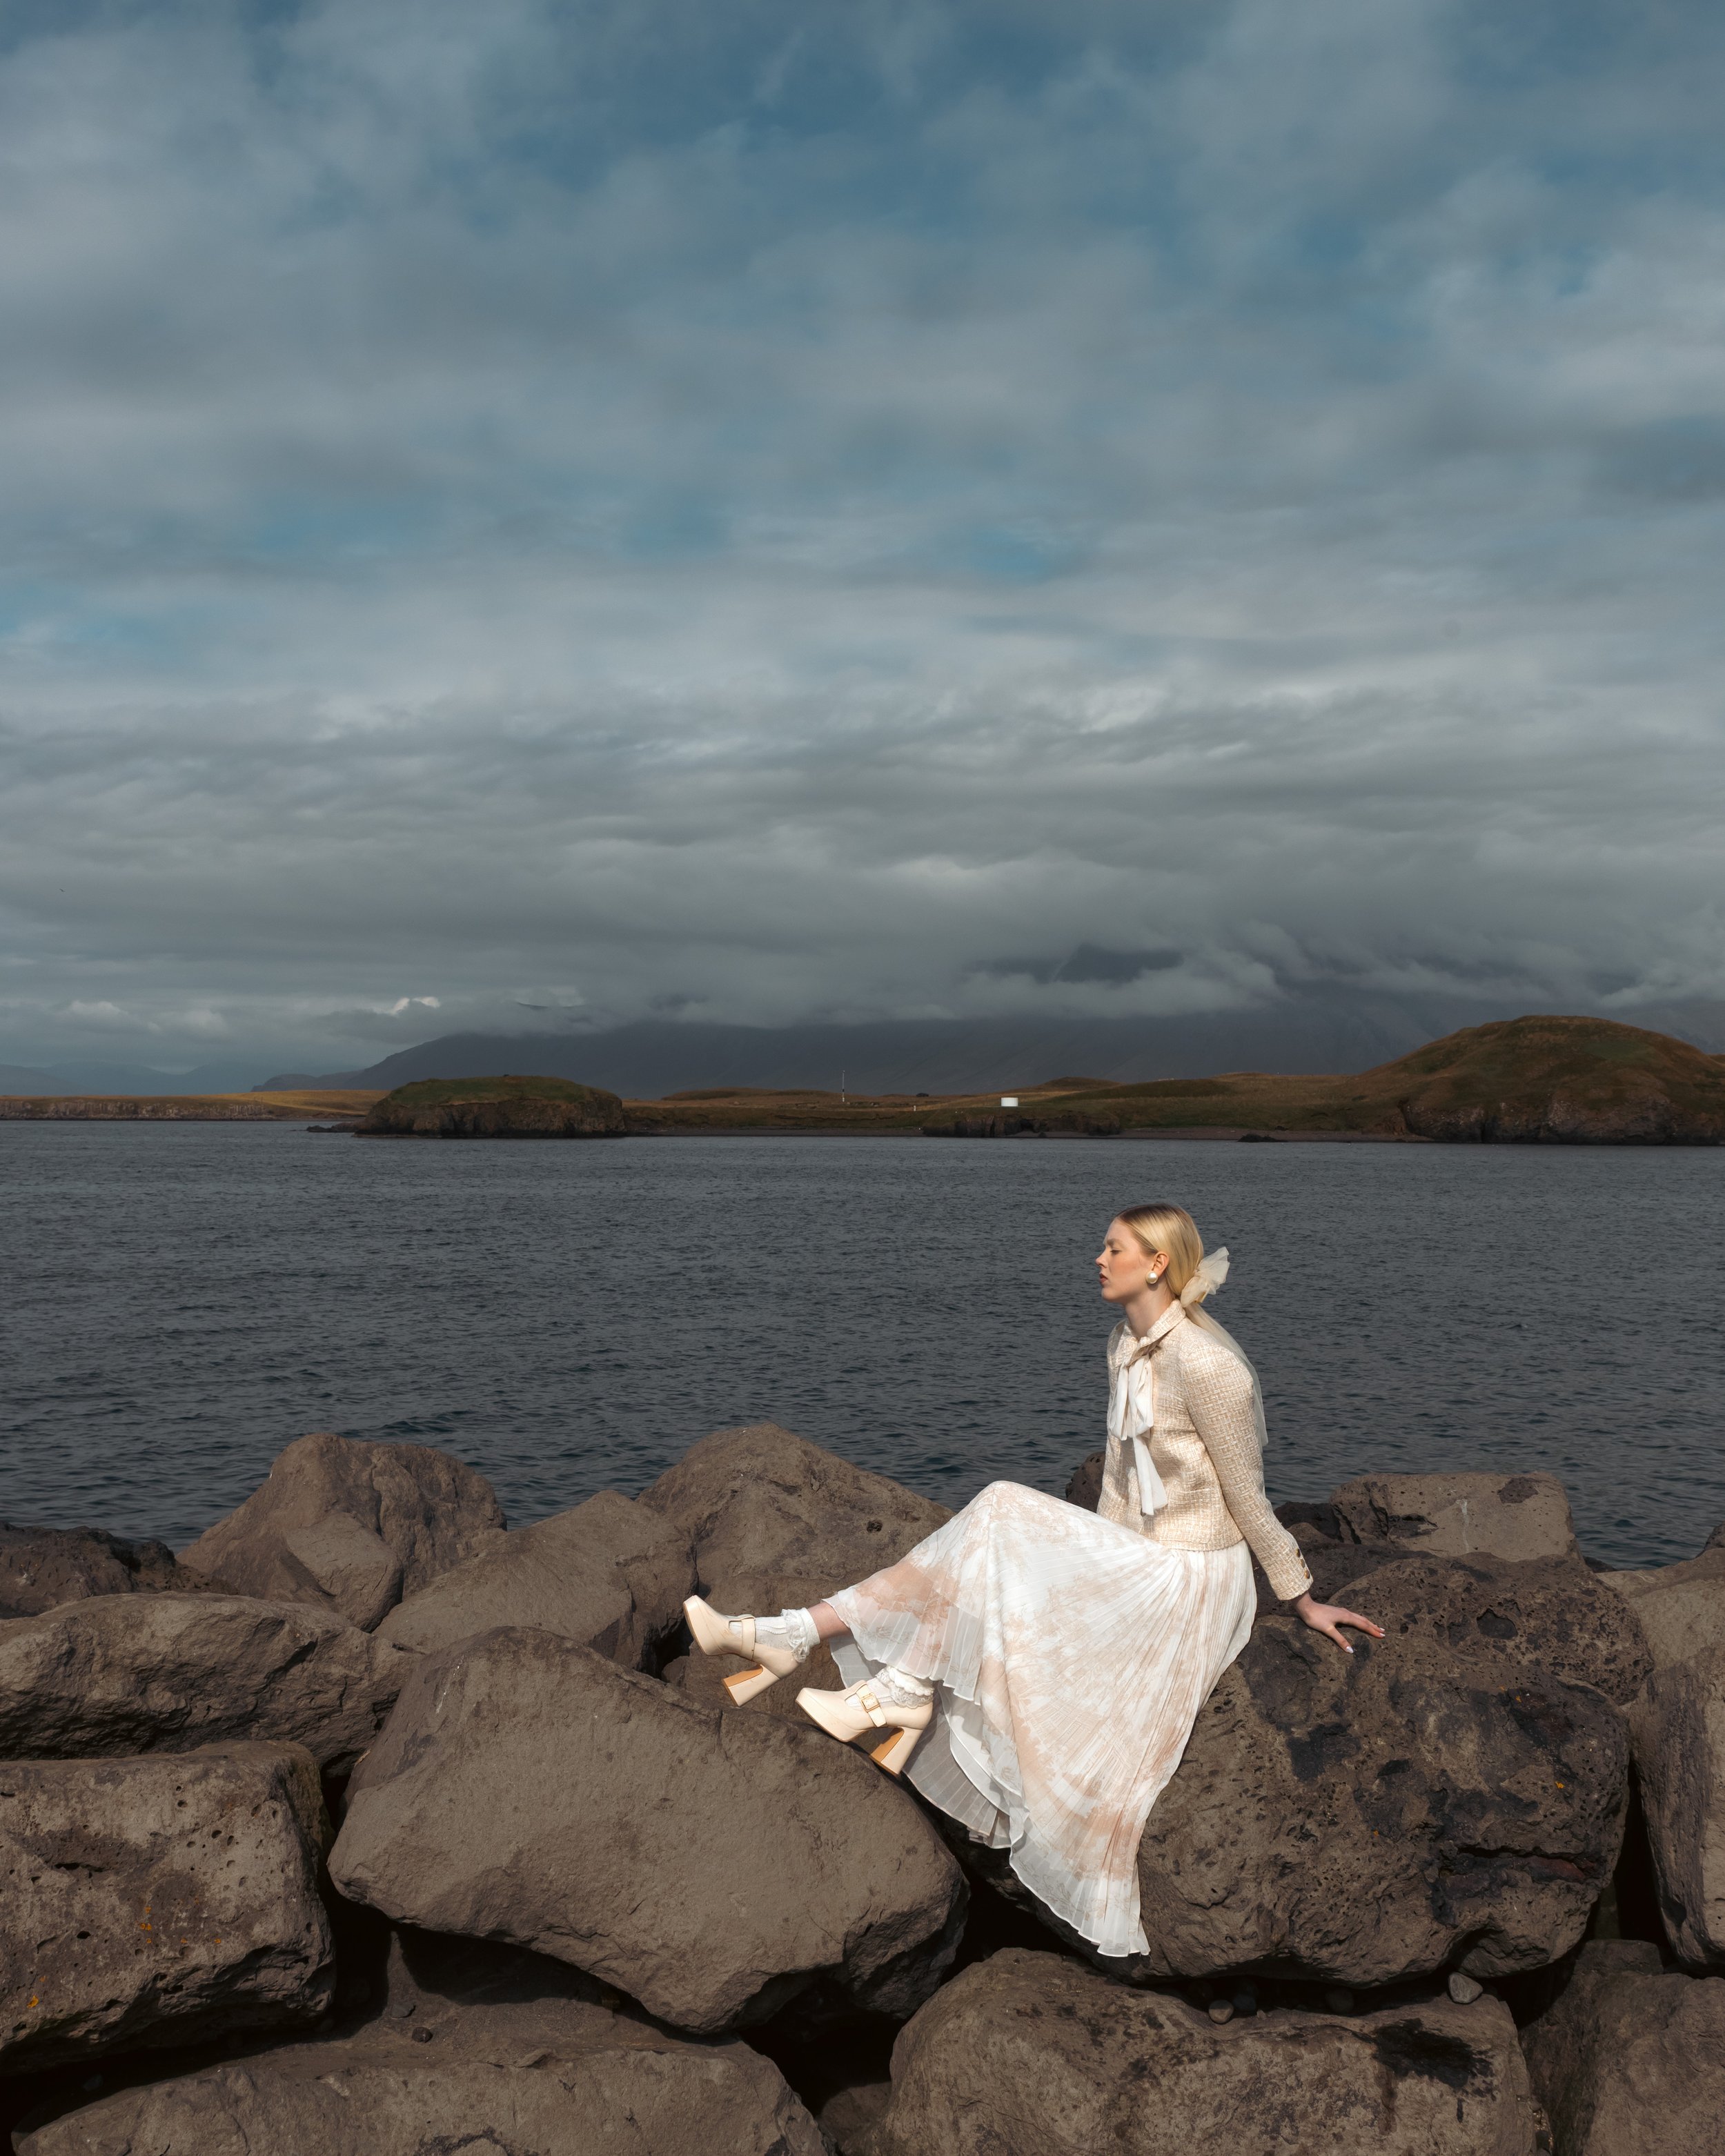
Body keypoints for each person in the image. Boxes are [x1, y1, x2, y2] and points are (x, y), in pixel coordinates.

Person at [682, 1201, 1382, 1958]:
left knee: (1000, 1506)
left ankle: (811, 1645)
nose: (1096, 1257)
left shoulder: (1208, 1365)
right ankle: (857, 1666)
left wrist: (1300, 1596)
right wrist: (1090, 1567)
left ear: (1155, 1263)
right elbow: (1120, 1480)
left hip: (1193, 1574)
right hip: (1136, 1557)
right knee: (1000, 1532)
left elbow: (1247, 1494)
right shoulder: (1125, 1341)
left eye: (1112, 1247)